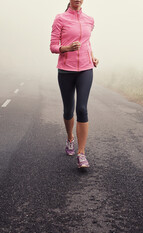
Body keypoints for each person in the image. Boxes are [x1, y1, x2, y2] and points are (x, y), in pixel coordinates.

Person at [50, 0, 99, 168]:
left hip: (86, 68)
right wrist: (67, 48)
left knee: (82, 109)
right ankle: (70, 138)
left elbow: (87, 42)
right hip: (65, 70)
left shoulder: (89, 19)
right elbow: (53, 46)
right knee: (68, 109)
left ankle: (81, 153)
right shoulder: (60, 19)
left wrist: (92, 56)